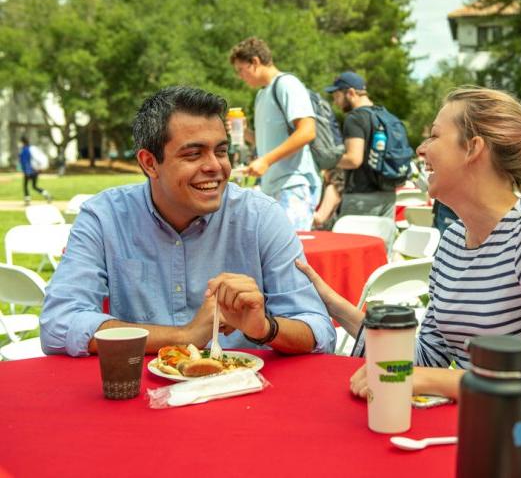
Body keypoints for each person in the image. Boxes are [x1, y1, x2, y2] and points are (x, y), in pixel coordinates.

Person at [297, 86, 521, 399]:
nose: (421, 150)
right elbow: (428, 358)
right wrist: (336, 306)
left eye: (434, 136)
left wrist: (432, 382)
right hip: (474, 424)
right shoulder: (453, 238)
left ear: (473, 148)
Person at [40, 86, 335, 357]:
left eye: (221, 151)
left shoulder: (260, 216)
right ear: (149, 163)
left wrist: (265, 328)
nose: (215, 167)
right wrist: (183, 336)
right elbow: (59, 323)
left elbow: (318, 329)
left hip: (243, 395)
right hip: (142, 398)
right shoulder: (105, 216)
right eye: (193, 154)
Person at [229, 37, 321, 231]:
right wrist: (245, 133)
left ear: (254, 62)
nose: (240, 76)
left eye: (240, 70)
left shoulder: (287, 84)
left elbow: (307, 131)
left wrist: (266, 160)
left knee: (293, 257)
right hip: (271, 189)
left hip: (293, 185)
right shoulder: (262, 94)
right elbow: (266, 143)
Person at [324, 71, 397, 218]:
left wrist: (327, 161)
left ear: (350, 93)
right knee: (381, 241)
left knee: (352, 241)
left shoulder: (355, 118)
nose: (335, 103)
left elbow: (353, 159)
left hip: (361, 199)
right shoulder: (386, 116)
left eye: (337, 96)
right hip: (389, 196)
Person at [18, 135, 51, 205]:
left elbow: (25, 161)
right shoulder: (31, 148)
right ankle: (46, 194)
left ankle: (27, 200)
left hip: (29, 171)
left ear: (22, 142)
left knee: (25, 185)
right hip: (35, 171)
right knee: (34, 186)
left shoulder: (25, 150)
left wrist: (27, 171)